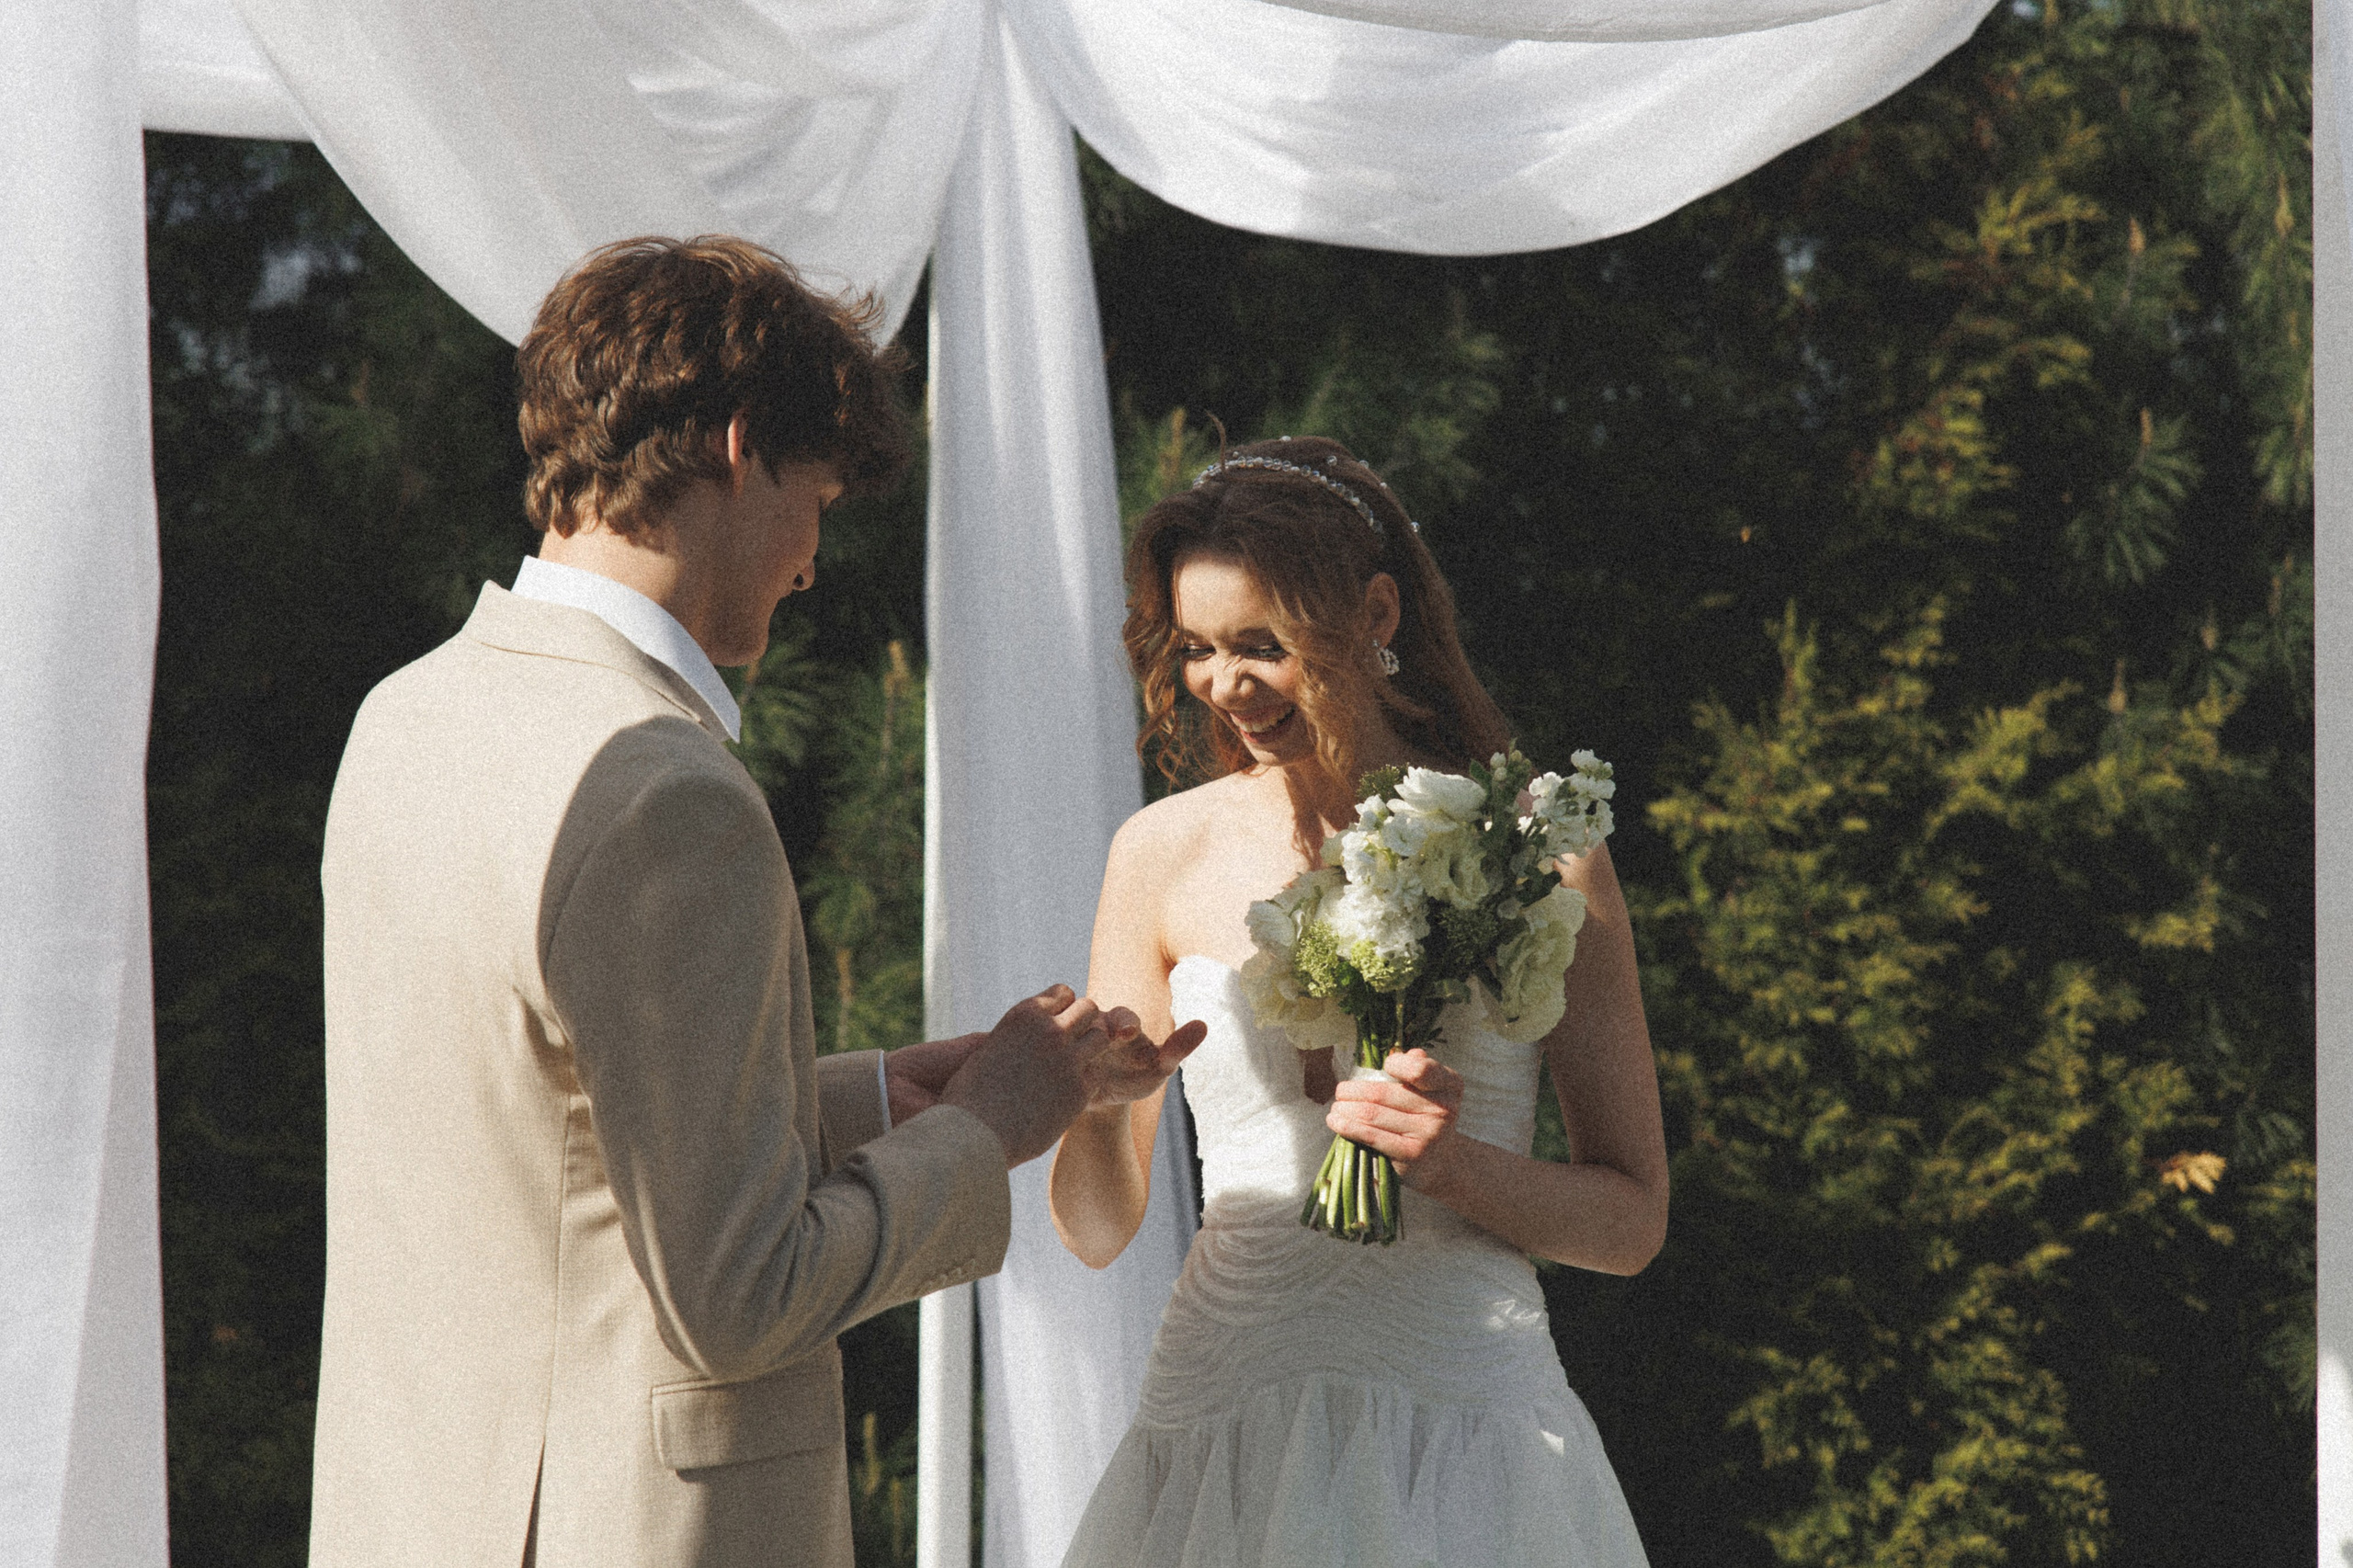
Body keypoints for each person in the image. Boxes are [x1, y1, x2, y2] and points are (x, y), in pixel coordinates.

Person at [309, 235, 1182, 1568]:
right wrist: (988, 1128)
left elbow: (548, 1129)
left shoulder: (406, 716)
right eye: (814, 496)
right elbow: (740, 1291)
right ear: (734, 448)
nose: (812, 560)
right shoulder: (663, 788)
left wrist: (888, 1093)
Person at [1049, 436, 1667, 1566]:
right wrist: (1094, 1106)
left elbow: (1630, 1223)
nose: (1223, 686)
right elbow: (1095, 1232)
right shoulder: (1158, 851)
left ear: (1376, 611)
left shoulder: (1538, 844)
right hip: (1226, 1428)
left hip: (1463, 1436)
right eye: (1196, 649)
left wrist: (1454, 1164)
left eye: (1262, 645)